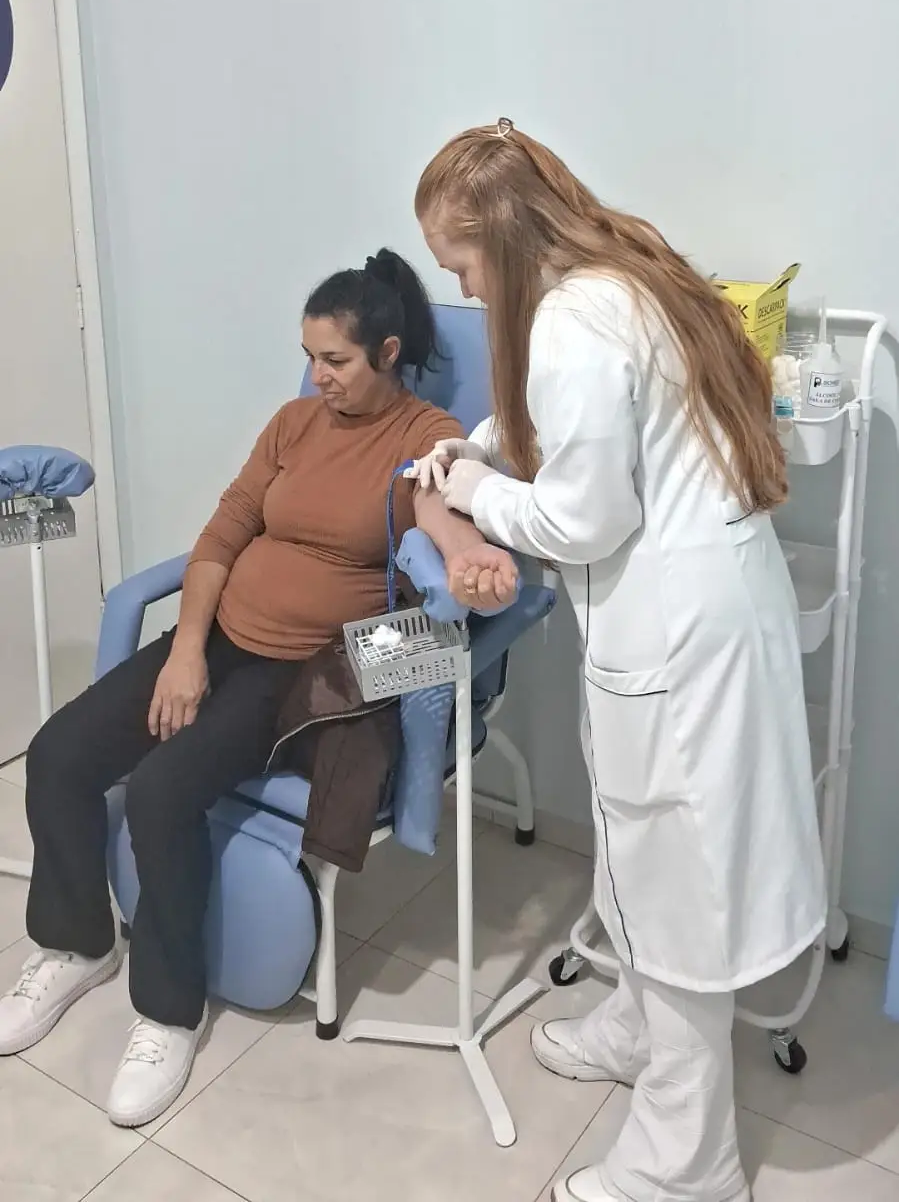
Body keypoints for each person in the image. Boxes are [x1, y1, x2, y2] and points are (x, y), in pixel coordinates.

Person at [0, 248, 516, 1127]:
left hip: (299, 669)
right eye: (309, 356)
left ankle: (168, 1013)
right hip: (216, 639)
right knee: (56, 755)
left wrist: (475, 562)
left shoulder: (422, 435)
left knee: (161, 791)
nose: (318, 376)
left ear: (387, 352)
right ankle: (76, 943)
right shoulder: (292, 422)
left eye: (336, 360)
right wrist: (185, 651)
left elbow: (442, 518)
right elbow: (224, 531)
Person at [411, 123, 825, 1202]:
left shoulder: (569, 323)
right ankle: (636, 1026)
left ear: (501, 239)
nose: (460, 287)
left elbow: (585, 518)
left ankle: (686, 1163)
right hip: (704, 614)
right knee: (645, 853)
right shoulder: (620, 278)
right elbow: (577, 419)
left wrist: (474, 492)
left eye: (459, 265)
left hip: (674, 640)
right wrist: (480, 441)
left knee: (678, 884)